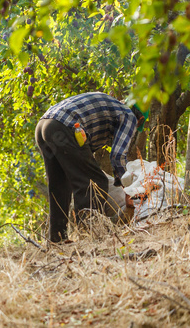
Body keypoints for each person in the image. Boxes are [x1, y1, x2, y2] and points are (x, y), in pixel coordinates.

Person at [34, 92, 148, 243]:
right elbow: (117, 155)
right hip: (65, 125)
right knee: (95, 182)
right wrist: (127, 188)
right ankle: (88, 236)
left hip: (44, 125)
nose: (133, 131)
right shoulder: (129, 117)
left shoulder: (111, 107)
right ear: (140, 118)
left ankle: (57, 239)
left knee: (60, 185)